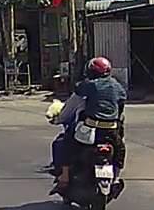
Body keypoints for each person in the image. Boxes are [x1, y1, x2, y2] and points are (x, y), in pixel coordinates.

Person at [50, 57, 127, 195]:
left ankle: (64, 177)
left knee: (66, 142)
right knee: (120, 150)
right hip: (112, 131)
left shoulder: (88, 85)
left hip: (91, 131)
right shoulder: (118, 87)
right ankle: (116, 179)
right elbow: (121, 110)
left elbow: (72, 103)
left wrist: (59, 119)